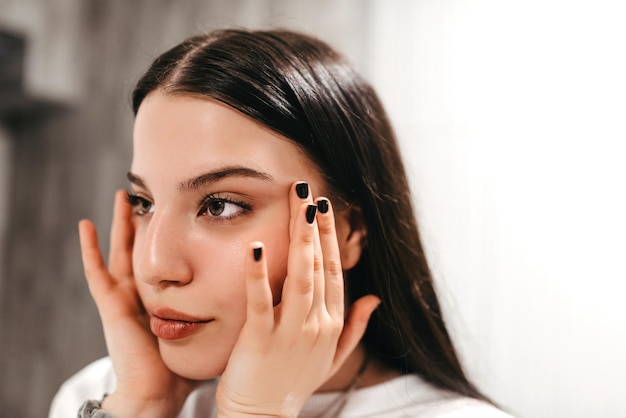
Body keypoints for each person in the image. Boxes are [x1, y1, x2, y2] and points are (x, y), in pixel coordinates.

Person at [49, 29, 511, 417]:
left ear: (347, 231)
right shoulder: (106, 392)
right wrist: (142, 406)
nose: (156, 266)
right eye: (144, 202)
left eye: (221, 206)